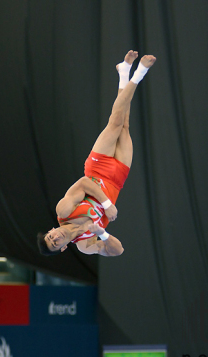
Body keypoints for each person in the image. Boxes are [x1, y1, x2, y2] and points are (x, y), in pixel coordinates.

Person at [37, 50, 156, 257]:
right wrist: (102, 234)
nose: (55, 239)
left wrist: (107, 204)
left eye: (50, 237)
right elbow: (117, 251)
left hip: (97, 168)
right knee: (125, 126)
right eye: (55, 244)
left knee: (116, 122)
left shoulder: (63, 211)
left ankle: (139, 73)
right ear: (63, 247)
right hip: (117, 179)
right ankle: (124, 71)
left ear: (51, 230)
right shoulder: (85, 244)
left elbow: (84, 183)